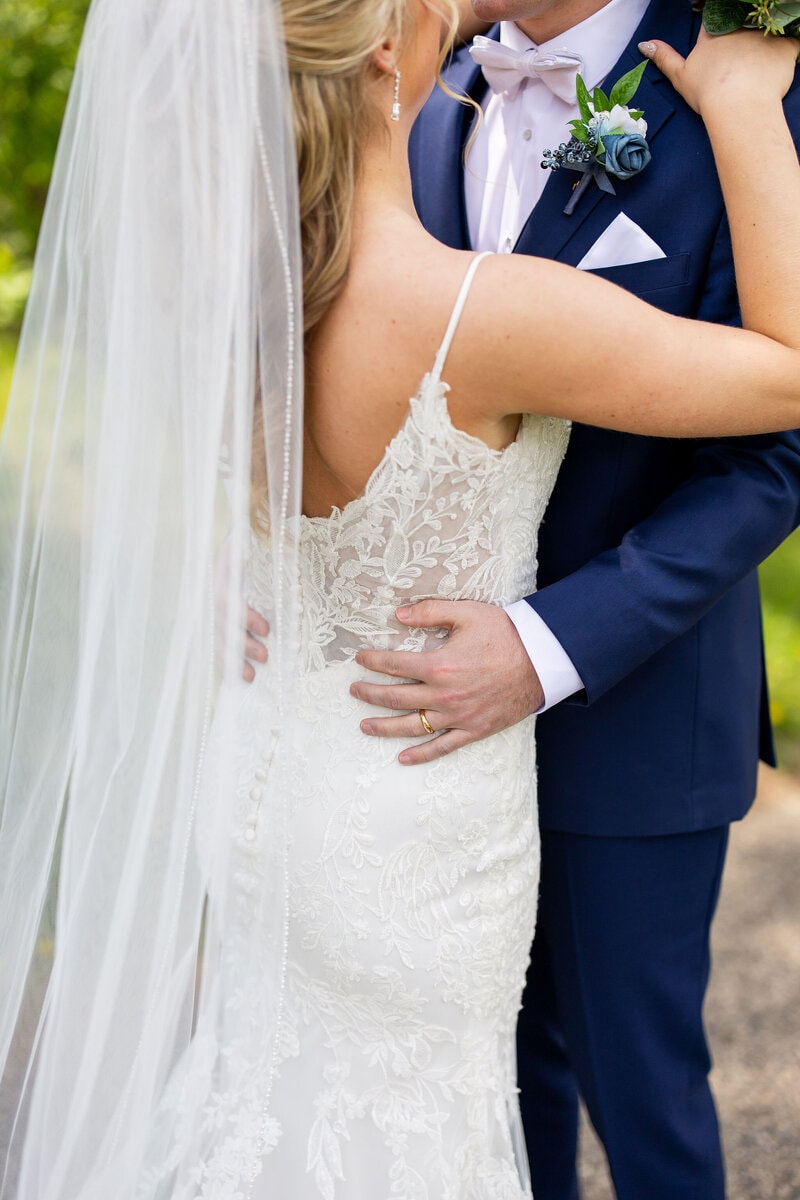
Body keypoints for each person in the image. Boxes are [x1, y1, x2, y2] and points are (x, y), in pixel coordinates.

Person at [2, 1, 800, 1198]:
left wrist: (240, 557)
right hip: (413, 823)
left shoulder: (259, 263)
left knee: (320, 1104)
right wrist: (742, 115)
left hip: (328, 768)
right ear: (381, 51)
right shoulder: (465, 276)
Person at [337, 1, 800, 1197]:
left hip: (630, 707)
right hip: (413, 721)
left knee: (642, 1107)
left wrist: (546, 645)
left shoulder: (743, 89)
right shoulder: (419, 91)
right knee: (477, 1091)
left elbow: (778, 449)